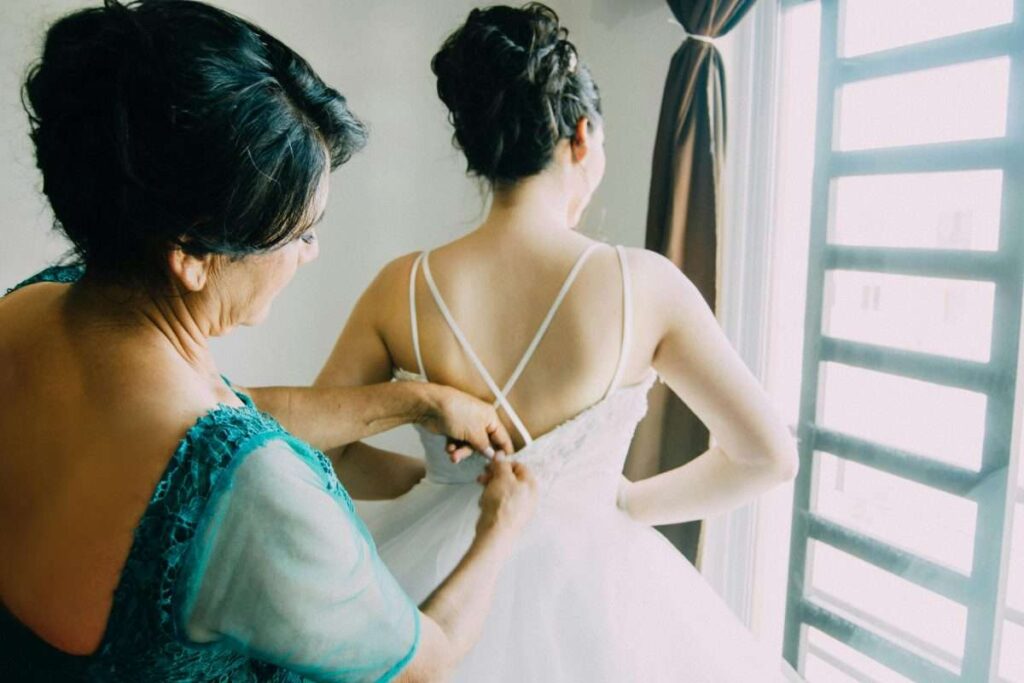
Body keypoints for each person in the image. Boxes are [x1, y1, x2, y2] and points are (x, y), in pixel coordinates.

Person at [0, 1, 537, 680]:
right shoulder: (253, 497)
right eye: (301, 234)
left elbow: (219, 417)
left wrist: (417, 401)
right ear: (192, 253)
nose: (311, 255)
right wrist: (501, 528)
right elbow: (422, 662)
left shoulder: (32, 309)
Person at [316, 4, 801, 681]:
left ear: (477, 149)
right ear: (582, 136)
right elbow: (768, 455)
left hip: (436, 580)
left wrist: (430, 484)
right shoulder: (644, 285)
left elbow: (321, 443)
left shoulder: (402, 286)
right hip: (603, 585)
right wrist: (625, 500)